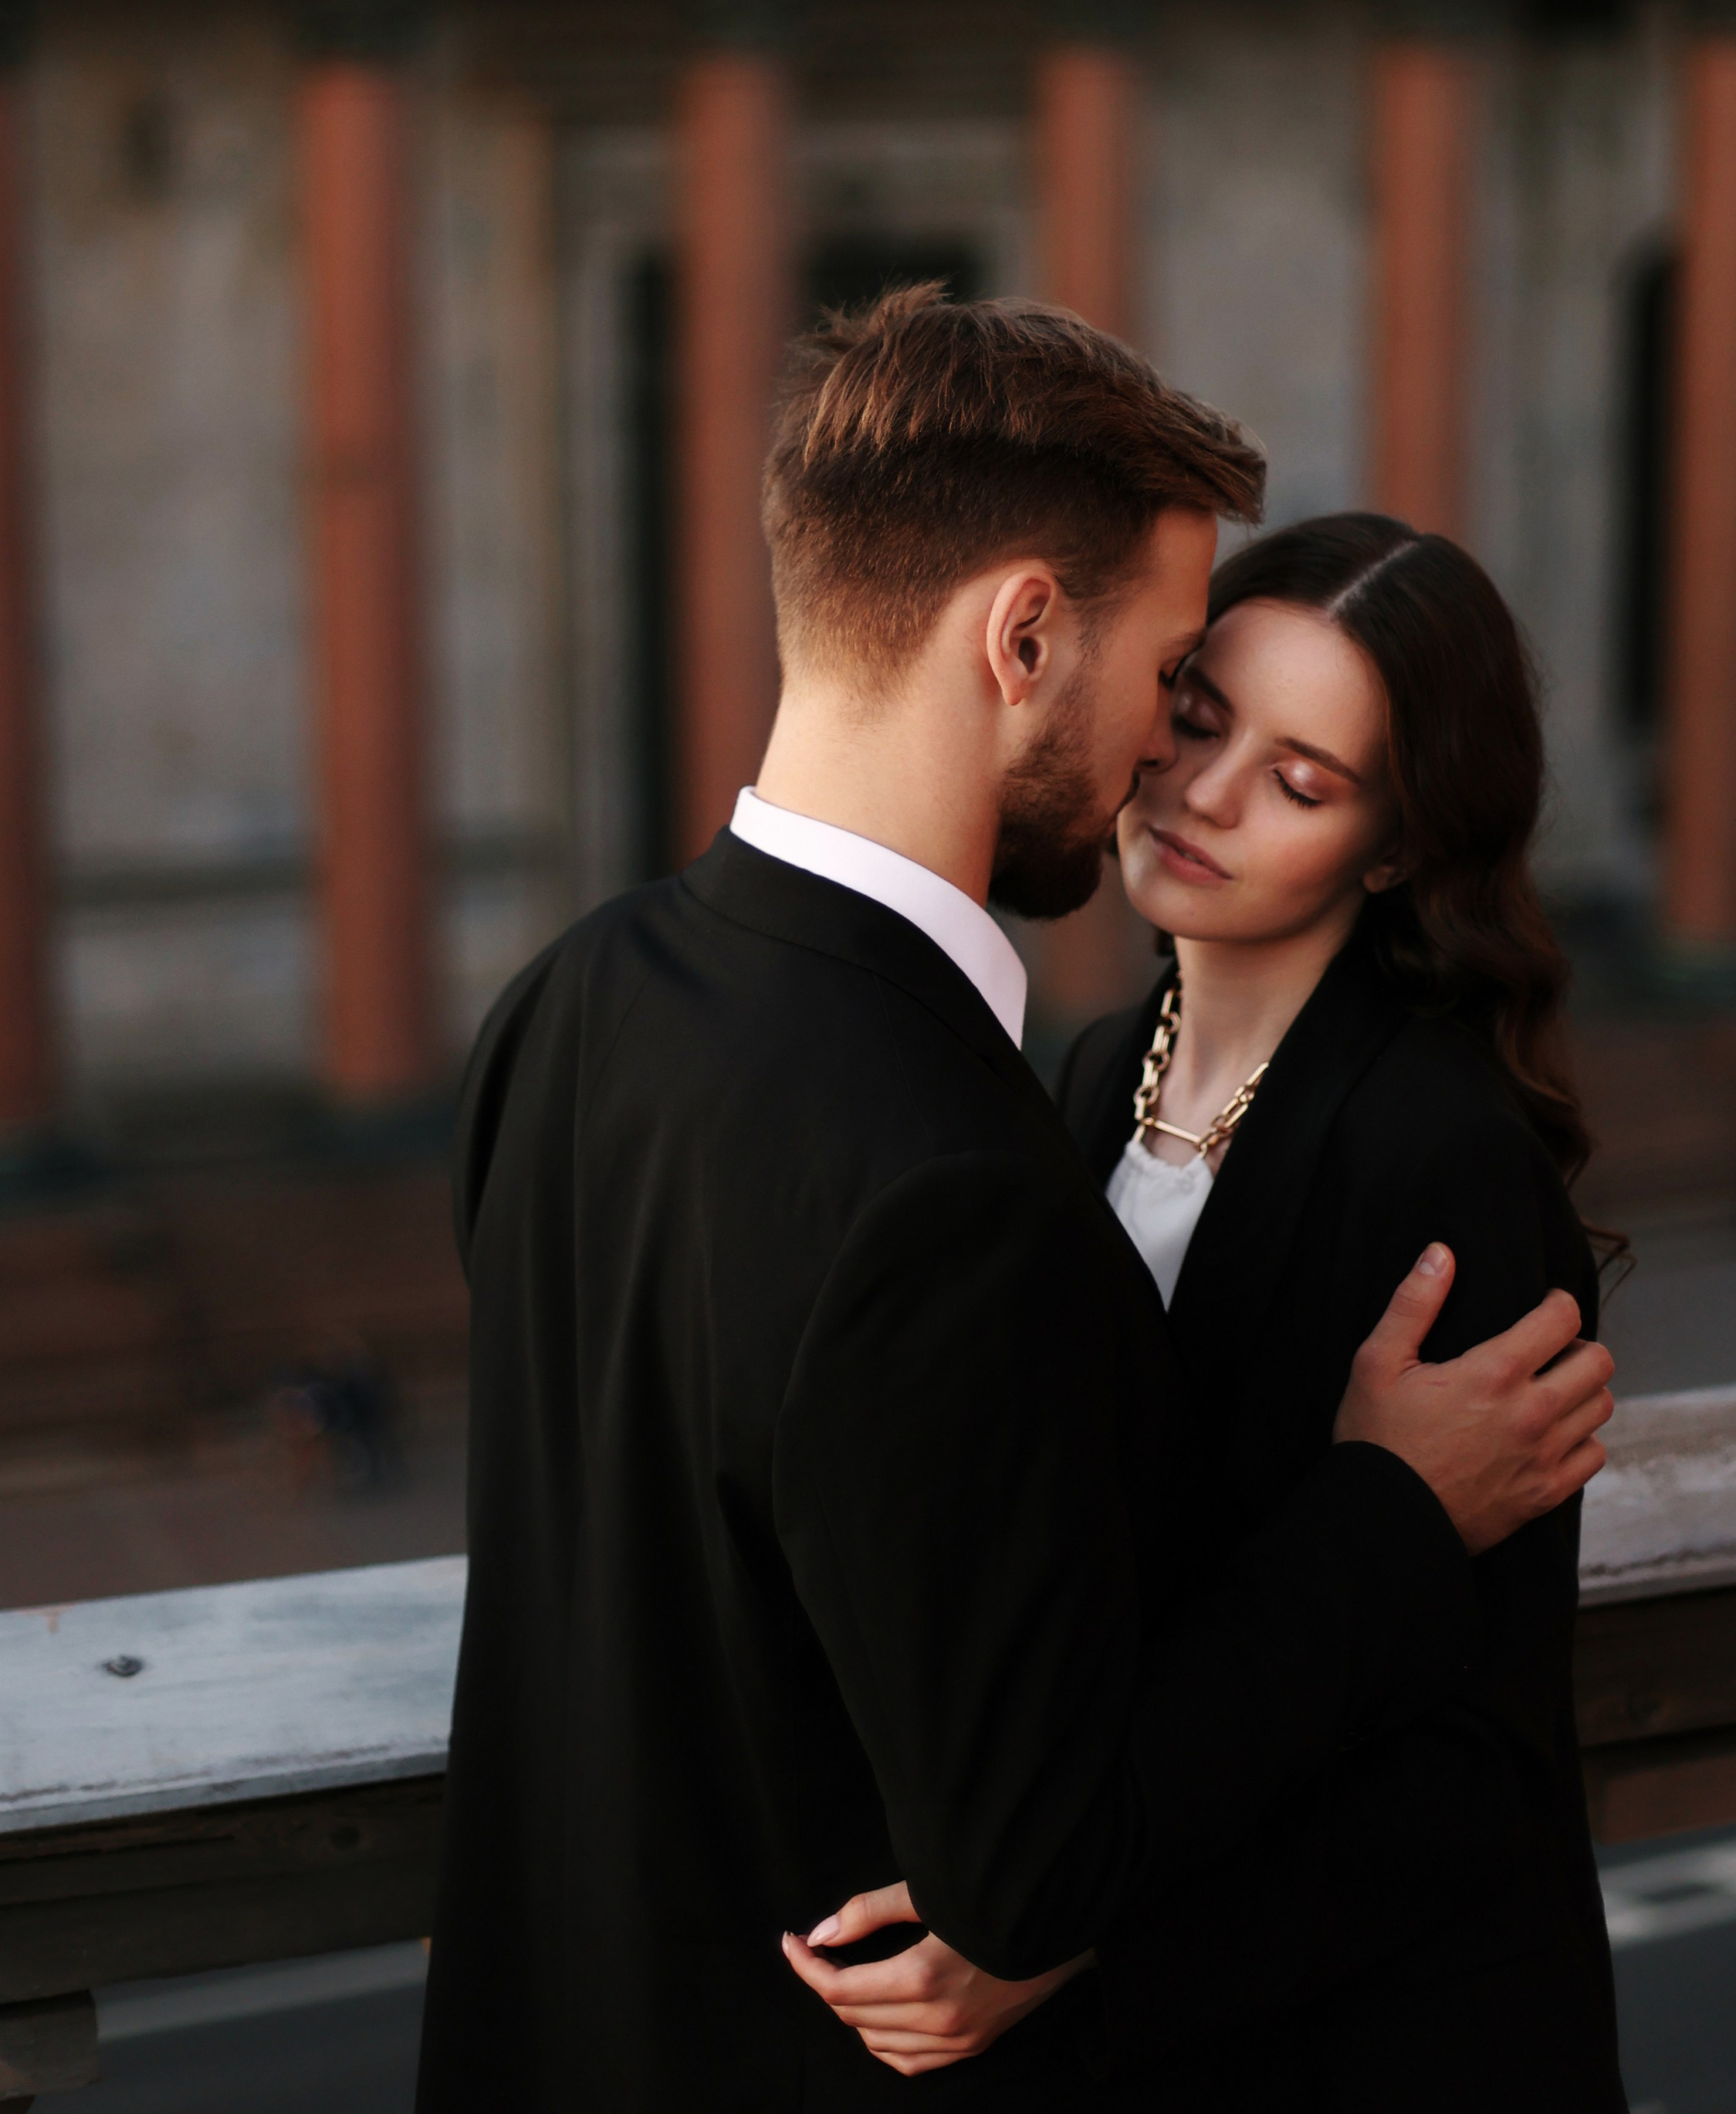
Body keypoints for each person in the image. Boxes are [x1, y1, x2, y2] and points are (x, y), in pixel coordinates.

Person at [416, 297, 1615, 2113]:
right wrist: (1381, 1509)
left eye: (1294, 778)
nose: (1169, 768)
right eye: (1176, 690)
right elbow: (1021, 1833)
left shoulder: (569, 999)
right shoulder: (972, 1151)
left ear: (1390, 842)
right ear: (1025, 635)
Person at [797, 512, 1623, 2109]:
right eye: (1194, 717)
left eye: (1300, 781)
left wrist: (1074, 1945)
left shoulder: (1442, 1161)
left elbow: (1472, 1765)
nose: (1204, 793)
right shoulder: (1093, 1071)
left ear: (1391, 850)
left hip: (1382, 2054)